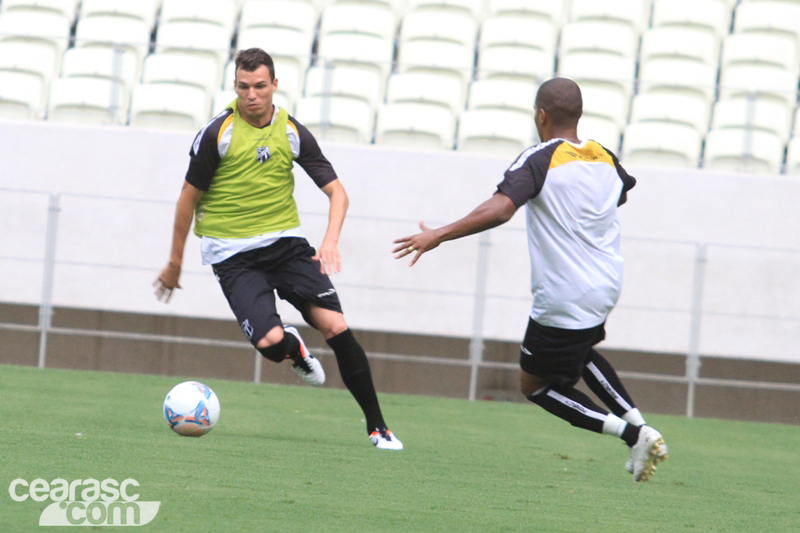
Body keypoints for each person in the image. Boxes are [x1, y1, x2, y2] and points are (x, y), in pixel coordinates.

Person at [393, 78, 666, 480]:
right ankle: (642, 429)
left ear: (541, 116)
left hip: (563, 294)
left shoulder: (539, 158)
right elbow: (622, 191)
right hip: (606, 284)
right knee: (581, 351)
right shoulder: (605, 157)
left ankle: (633, 434)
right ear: (579, 114)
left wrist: (438, 234)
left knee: (535, 386)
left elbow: (502, 208)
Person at [154, 47, 402, 451]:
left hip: (286, 246)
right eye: (243, 86)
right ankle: (296, 351)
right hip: (232, 255)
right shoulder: (219, 134)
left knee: (337, 327)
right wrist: (174, 263)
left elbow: (338, 193)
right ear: (235, 86)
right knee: (270, 345)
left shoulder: (291, 131)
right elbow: (187, 198)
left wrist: (329, 241)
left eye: (260, 86)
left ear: (274, 85)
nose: (251, 94)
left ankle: (378, 428)